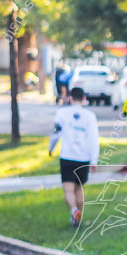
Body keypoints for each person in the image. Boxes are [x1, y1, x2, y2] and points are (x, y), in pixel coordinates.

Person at [49, 87, 100, 226]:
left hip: (67, 156)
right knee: (79, 188)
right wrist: (94, 159)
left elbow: (55, 133)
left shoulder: (62, 113)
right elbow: (94, 139)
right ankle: (78, 217)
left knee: (68, 189)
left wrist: (50, 148)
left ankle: (73, 210)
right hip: (83, 158)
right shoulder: (90, 116)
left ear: (70, 98)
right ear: (84, 99)